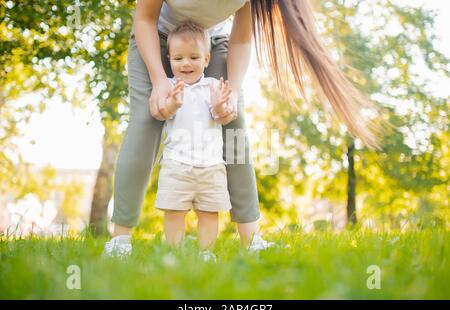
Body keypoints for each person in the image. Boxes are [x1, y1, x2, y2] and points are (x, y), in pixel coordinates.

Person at [104, 0, 385, 256]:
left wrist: (232, 94)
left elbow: (241, 39)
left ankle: (252, 242)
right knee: (145, 121)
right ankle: (120, 241)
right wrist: (158, 80)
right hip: (157, 38)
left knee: (234, 128)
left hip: (209, 45)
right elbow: (144, 18)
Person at [155, 21, 237, 262]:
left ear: (207, 59)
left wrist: (220, 104)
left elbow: (220, 116)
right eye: (178, 58)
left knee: (210, 212)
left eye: (193, 57)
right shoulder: (168, 86)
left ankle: (206, 253)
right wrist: (173, 104)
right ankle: (173, 252)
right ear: (169, 58)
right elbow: (163, 113)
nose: (186, 63)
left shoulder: (213, 86)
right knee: (174, 211)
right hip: (176, 163)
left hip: (211, 164)